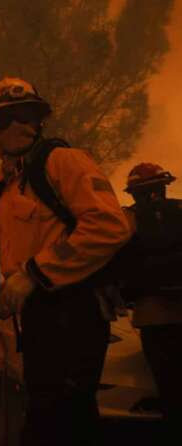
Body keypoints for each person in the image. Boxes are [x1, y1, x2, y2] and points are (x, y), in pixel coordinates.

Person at [0, 77, 132, 445]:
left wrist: (36, 273)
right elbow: (19, 258)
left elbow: (110, 225)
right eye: (6, 118)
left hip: (72, 310)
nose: (21, 124)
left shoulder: (62, 161)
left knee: (61, 419)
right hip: (40, 316)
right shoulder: (9, 187)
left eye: (29, 114)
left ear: (40, 120)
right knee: (52, 414)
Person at [122, 163, 182, 440]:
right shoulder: (181, 210)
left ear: (133, 193)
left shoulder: (126, 220)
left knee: (168, 385)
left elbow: (113, 261)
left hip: (151, 315)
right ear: (164, 186)